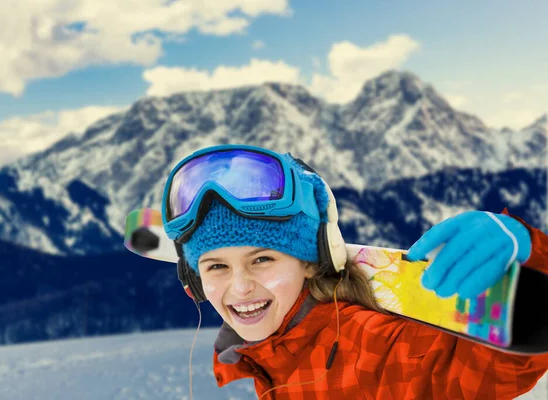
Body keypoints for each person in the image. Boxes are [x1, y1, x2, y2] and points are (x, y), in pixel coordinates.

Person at [160, 143, 548, 400]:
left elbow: (491, 371)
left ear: (311, 261)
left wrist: (536, 261)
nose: (240, 287)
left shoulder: (370, 348)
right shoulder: (270, 351)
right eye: (216, 267)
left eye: (262, 259)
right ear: (194, 281)